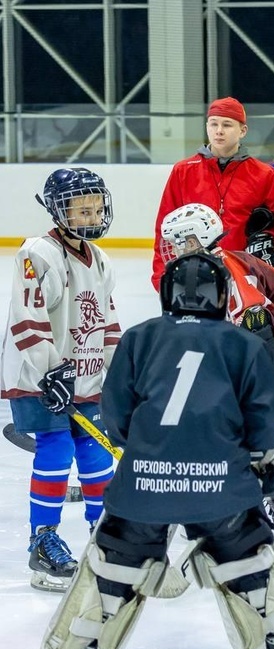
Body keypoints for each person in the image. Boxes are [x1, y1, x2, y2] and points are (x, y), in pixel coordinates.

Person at [40, 253, 274, 649]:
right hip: (222, 489)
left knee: (117, 560)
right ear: (222, 296)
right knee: (246, 553)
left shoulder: (140, 338)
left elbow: (116, 416)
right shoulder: (244, 344)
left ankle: (83, 647)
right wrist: (259, 457)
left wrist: (148, 454)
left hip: (143, 487)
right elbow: (266, 420)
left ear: (166, 295)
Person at [1, 168, 121, 592]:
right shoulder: (37, 253)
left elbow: (107, 324)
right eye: (80, 208)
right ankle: (43, 540)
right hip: (41, 375)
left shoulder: (100, 258)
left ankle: (105, 537)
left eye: (95, 207)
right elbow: (27, 318)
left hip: (85, 376)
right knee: (57, 448)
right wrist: (50, 371)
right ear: (58, 210)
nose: (90, 215)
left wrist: (117, 374)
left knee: (94, 451)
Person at [159, 203, 274, 535]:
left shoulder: (202, 275)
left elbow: (217, 323)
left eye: (181, 242)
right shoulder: (240, 258)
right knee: (267, 429)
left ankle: (234, 502)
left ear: (200, 239)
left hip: (235, 363)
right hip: (262, 355)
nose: (176, 250)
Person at [152, 96, 274, 289]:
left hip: (246, 275)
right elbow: (164, 228)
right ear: (207, 127)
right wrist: (162, 278)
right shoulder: (183, 171)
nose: (219, 131)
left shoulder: (265, 175)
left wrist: (268, 239)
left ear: (243, 130)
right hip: (194, 275)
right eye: (214, 124)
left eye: (227, 125)